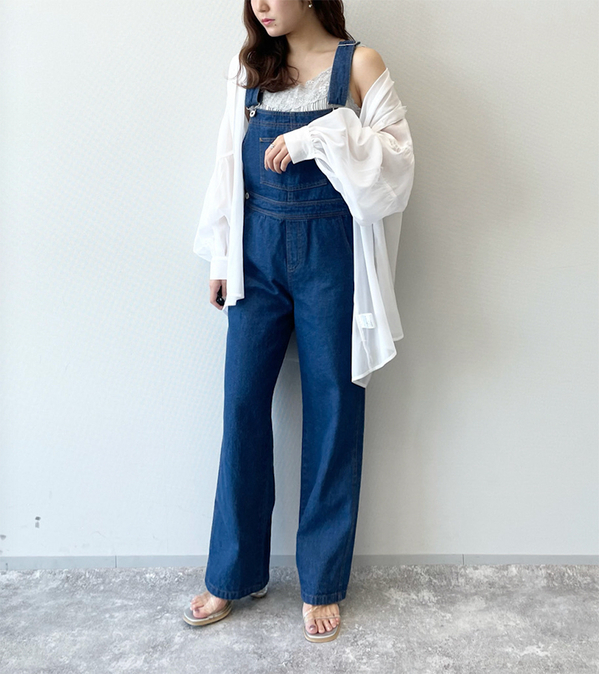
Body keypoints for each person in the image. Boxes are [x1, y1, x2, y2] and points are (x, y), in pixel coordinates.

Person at [183, 0, 415, 643]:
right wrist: (221, 255)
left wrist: (318, 137)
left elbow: (399, 165)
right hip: (254, 255)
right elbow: (228, 162)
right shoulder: (249, 66)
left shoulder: (359, 64)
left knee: (333, 409)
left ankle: (322, 582)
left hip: (331, 257)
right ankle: (233, 574)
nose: (259, 4)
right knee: (242, 408)